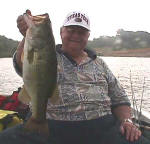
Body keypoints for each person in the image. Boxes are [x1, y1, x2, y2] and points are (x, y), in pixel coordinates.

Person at [0, 10, 149, 144]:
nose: (76, 36)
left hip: (103, 128)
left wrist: (127, 121)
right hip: (49, 126)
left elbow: (120, 98)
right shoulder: (47, 54)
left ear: (88, 36)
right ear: (61, 32)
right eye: (71, 30)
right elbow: (21, 63)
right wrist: (27, 35)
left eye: (81, 32)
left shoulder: (100, 63)